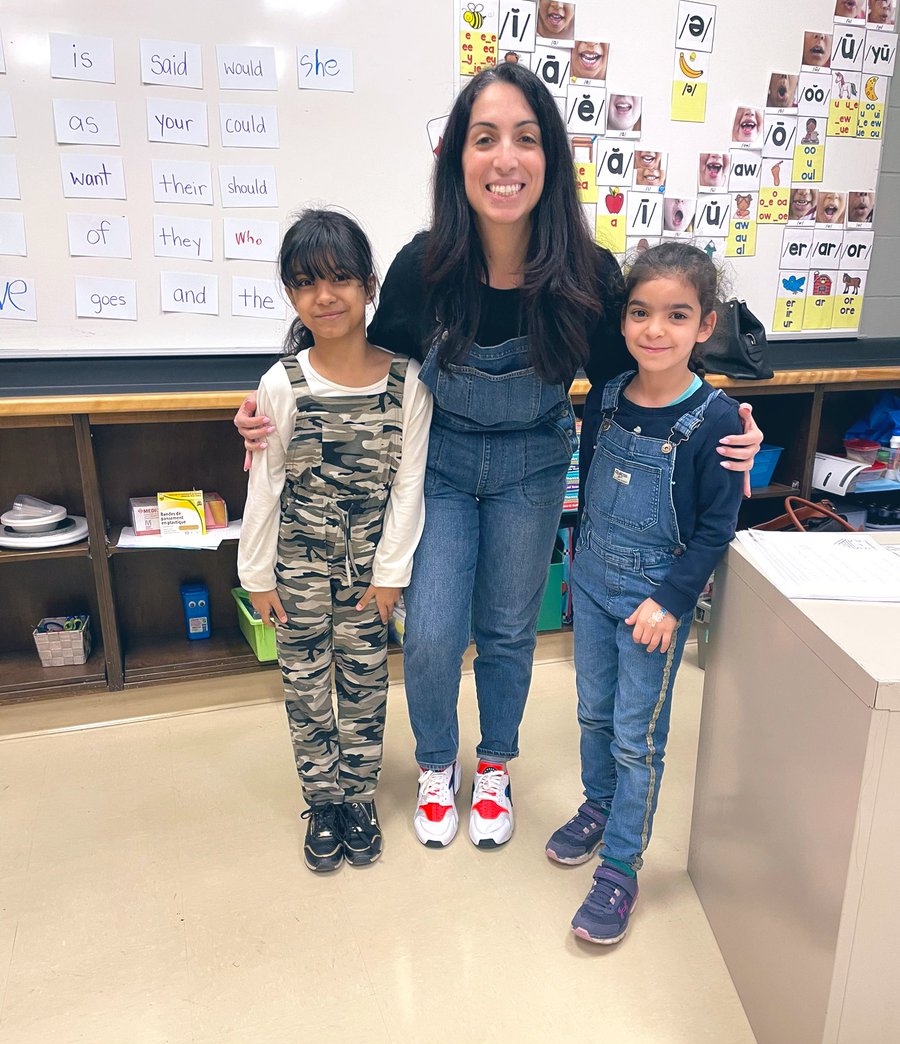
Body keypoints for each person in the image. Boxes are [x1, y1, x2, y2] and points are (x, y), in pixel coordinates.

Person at [235, 64, 763, 852]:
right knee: (435, 632)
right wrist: (273, 401)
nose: (504, 158)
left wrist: (720, 419)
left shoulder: (587, 273)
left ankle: (495, 768)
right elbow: (353, 347)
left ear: (550, 157)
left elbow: (646, 372)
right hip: (441, 467)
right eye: (485, 139)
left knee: (511, 630)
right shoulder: (423, 267)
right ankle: (438, 766)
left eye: (525, 138)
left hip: (533, 469)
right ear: (459, 159)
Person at [545, 244, 744, 945]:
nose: (655, 330)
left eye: (676, 315)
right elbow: (592, 494)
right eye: (640, 312)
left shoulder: (713, 420)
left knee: (637, 738)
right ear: (622, 321)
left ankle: (622, 867)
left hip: (654, 607)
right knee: (594, 713)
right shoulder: (601, 400)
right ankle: (597, 808)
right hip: (594, 586)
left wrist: (670, 600)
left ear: (705, 324)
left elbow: (719, 522)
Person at [237, 209, 432, 872]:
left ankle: (358, 798)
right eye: (305, 283)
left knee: (365, 687)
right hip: (296, 571)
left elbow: (409, 488)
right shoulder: (280, 383)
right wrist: (256, 576)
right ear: (292, 295)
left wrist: (391, 576)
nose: (325, 296)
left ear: (370, 285)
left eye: (341, 278)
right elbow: (264, 487)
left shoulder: (407, 382)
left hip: (366, 576)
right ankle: (322, 802)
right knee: (306, 687)